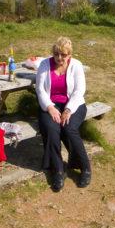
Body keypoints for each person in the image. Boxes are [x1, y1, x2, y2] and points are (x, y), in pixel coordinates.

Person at [35, 37, 90, 191]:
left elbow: (79, 91)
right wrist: (50, 107)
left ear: (69, 55)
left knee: (69, 128)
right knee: (51, 129)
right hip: (50, 105)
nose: (59, 58)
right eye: (56, 54)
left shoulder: (76, 66)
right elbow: (40, 90)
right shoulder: (44, 65)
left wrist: (68, 109)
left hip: (74, 104)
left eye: (63, 55)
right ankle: (58, 170)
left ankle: (85, 167)